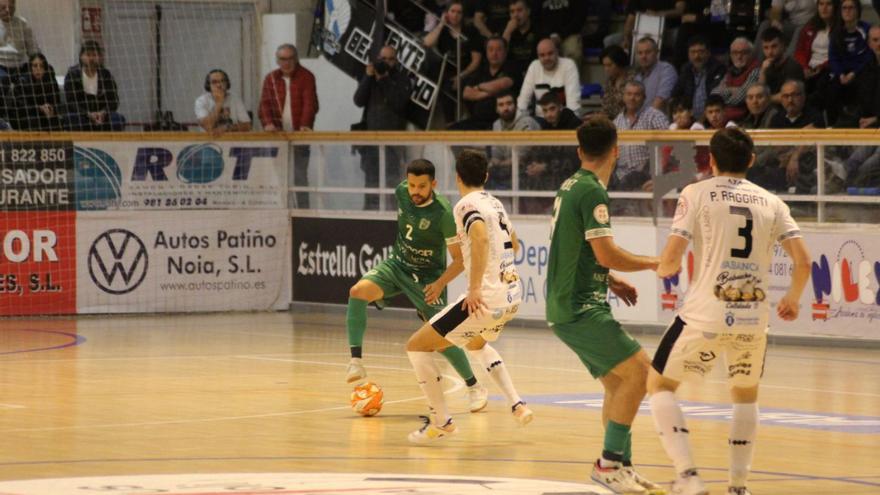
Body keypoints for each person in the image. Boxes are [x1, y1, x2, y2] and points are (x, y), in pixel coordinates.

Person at [649, 127, 811, 495]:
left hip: (705, 313)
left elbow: (672, 258)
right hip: (753, 317)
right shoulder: (773, 202)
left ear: (711, 161)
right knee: (745, 393)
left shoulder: (695, 193)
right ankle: (738, 486)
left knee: (659, 383)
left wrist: (664, 267)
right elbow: (804, 261)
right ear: (752, 160)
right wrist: (793, 298)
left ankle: (688, 476)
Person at [546, 115, 663, 494]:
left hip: (572, 302)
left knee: (618, 383)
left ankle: (621, 467)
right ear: (616, 150)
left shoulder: (570, 185)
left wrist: (610, 281)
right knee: (643, 373)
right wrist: (654, 262)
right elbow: (607, 252)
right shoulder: (592, 191)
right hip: (579, 307)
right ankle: (608, 464)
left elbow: (577, 249)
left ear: (580, 151)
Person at [405, 149, 532, 444]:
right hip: (511, 295)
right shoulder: (495, 203)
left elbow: (479, 235)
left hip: (486, 298)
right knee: (476, 343)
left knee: (416, 347)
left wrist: (475, 288)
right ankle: (517, 403)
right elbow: (514, 242)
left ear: (457, 178)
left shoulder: (465, 205)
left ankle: (441, 422)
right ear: (486, 176)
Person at [345, 159, 489, 414]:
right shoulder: (401, 192)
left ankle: (474, 386)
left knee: (441, 336)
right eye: (412, 185)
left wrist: (439, 283)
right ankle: (356, 361)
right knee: (357, 292)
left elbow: (460, 260)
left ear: (433, 184)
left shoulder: (444, 213)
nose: (415, 192)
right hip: (398, 266)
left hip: (427, 279)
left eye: (422, 186)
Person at [258, 43, 318, 209]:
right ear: (277, 60)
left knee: (300, 177)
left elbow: (310, 104)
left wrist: (305, 125)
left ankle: (304, 212)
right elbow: (264, 104)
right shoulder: (270, 78)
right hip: (277, 136)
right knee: (279, 176)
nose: (287, 62)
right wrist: (268, 123)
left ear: (296, 59)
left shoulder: (307, 76)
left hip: (300, 136)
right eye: (283, 59)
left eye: (290, 58)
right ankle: (283, 210)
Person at [354, 45, 411, 210]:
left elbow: (399, 103)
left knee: (392, 183)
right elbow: (358, 100)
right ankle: (369, 217)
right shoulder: (370, 79)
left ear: (396, 61)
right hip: (370, 142)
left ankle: (393, 218)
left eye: (390, 59)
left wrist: (385, 79)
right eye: (382, 59)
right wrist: (368, 77)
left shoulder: (402, 79)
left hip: (393, 143)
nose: (386, 63)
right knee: (371, 183)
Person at [612, 80, 670, 192]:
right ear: (623, 97)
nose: (632, 98)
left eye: (637, 95)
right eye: (629, 94)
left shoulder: (655, 116)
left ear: (644, 97)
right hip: (621, 178)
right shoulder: (617, 122)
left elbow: (667, 146)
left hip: (648, 176)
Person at [453, 36, 516, 130]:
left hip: (502, 122)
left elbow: (503, 84)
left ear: (505, 52)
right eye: (491, 50)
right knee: (450, 132)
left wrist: (479, 87)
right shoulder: (481, 70)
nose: (494, 53)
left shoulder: (511, 67)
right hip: (477, 121)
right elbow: (466, 93)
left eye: (499, 49)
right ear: (486, 52)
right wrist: (493, 92)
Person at [63, 41, 125, 131]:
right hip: (82, 115)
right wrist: (88, 114)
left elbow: (114, 100)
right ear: (81, 56)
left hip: (102, 115)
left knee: (117, 119)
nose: (91, 58)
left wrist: (103, 112)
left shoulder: (106, 75)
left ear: (99, 57)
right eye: (88, 55)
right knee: (72, 119)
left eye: (94, 55)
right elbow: (71, 102)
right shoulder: (72, 74)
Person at [517, 38, 580, 119]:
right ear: (538, 56)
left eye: (550, 53)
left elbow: (573, 105)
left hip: (563, 120)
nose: (546, 58)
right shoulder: (534, 66)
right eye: (542, 55)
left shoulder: (568, 65)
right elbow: (523, 102)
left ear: (557, 52)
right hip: (540, 120)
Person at [671, 35, 725, 121]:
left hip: (712, 119)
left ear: (708, 53)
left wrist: (701, 121)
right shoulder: (686, 70)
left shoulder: (718, 69)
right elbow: (675, 95)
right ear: (688, 54)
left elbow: (715, 96)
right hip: (690, 120)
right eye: (693, 52)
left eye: (701, 52)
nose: (697, 56)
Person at [711, 38, 761, 122]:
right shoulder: (730, 71)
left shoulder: (756, 70)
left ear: (751, 54)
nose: (739, 57)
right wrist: (731, 90)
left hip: (743, 121)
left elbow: (739, 99)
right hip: (724, 120)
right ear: (730, 55)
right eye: (735, 53)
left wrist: (724, 93)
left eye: (743, 53)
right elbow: (714, 95)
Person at [13, 52, 62, 131]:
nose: (38, 69)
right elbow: (21, 106)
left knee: (56, 121)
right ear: (30, 67)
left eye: (41, 66)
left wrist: (51, 108)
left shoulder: (50, 81)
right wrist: (39, 108)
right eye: (35, 66)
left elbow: (56, 100)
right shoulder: (22, 82)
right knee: (34, 121)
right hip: (26, 115)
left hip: (45, 114)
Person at [195, 69, 252, 134]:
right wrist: (219, 102)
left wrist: (227, 128)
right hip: (209, 141)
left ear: (227, 83)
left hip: (232, 140)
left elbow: (247, 126)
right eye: (214, 82)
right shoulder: (201, 101)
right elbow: (208, 126)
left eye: (222, 81)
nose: (219, 85)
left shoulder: (235, 99)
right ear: (208, 85)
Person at [758, 27, 804, 103]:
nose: (770, 52)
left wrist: (764, 100)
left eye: (774, 46)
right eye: (766, 48)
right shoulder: (767, 64)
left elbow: (788, 96)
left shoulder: (792, 66)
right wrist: (762, 71)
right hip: (770, 105)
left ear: (782, 45)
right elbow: (760, 91)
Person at [633, 36, 678, 112]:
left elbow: (660, 101)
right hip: (640, 119)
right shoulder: (637, 77)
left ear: (657, 52)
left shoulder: (666, 70)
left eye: (648, 52)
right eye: (640, 53)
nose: (643, 56)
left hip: (659, 120)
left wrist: (642, 121)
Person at [0, 0, 39, 87]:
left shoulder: (23, 24)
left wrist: (38, 61)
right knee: (3, 81)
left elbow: (33, 48)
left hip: (19, 66)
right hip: (1, 66)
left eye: (11, 7)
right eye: (3, 7)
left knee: (27, 82)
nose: (7, 10)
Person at [502, 0, 539, 79]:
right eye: (512, 12)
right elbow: (500, 56)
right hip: (512, 76)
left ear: (528, 11)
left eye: (519, 10)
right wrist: (507, 32)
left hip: (534, 73)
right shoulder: (507, 32)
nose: (515, 15)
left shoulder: (538, 30)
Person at [600, 45, 632, 120]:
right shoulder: (609, 81)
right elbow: (605, 107)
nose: (606, 69)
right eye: (604, 65)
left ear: (619, 62)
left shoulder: (633, 79)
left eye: (609, 65)